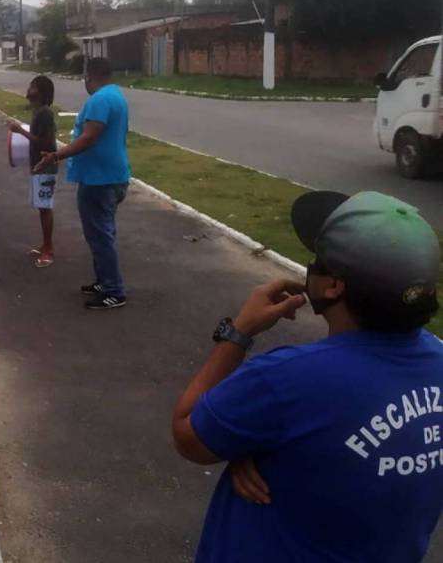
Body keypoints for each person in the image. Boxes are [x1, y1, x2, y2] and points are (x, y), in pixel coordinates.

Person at [172, 191, 443, 563]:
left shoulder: (286, 380)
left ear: (333, 286)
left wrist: (240, 330)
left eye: (318, 260)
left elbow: (189, 435)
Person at [35, 57, 130, 309]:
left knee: (100, 236)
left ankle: (113, 290)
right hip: (108, 175)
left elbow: (88, 138)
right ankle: (104, 280)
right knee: (100, 233)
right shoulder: (115, 95)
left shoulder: (100, 100)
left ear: (89, 76)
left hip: (100, 180)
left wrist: (56, 155)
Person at [9, 75, 59, 269]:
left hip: (45, 166)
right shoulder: (38, 111)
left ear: (41, 91)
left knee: (45, 207)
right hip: (39, 166)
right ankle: (45, 244)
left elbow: (47, 142)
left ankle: (49, 249)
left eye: (33, 86)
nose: (29, 89)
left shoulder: (44, 113)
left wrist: (20, 131)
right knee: (41, 207)